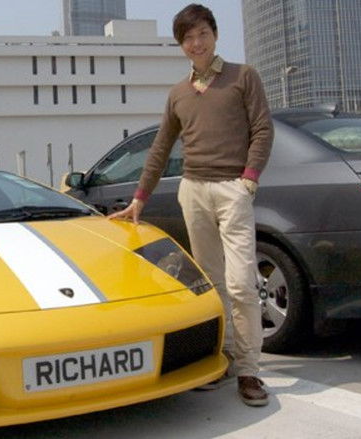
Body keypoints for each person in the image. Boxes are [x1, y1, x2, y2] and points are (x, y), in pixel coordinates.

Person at [109, 3, 273, 407]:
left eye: (202, 34)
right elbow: (160, 147)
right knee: (212, 284)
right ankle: (225, 357)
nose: (196, 43)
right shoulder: (178, 93)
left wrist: (248, 181)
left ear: (215, 35)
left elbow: (262, 129)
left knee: (241, 283)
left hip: (232, 189)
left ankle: (250, 369)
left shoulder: (243, 76)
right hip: (193, 190)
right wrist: (139, 198)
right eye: (188, 38)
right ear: (181, 45)